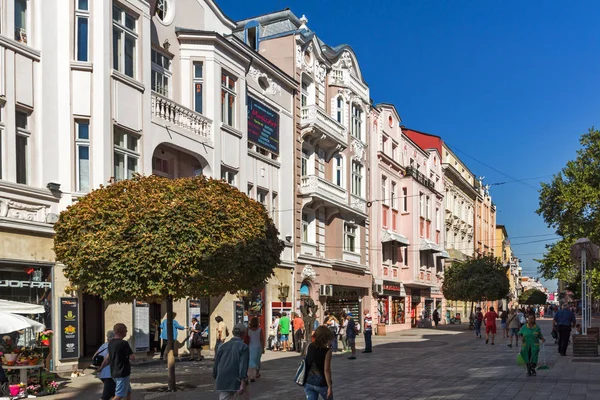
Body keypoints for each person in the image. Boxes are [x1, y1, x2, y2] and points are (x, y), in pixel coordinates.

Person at [99, 323, 135, 400]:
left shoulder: (110, 343)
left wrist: (101, 367)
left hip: (114, 373)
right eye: (126, 330)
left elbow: (107, 358)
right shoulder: (124, 343)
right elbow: (132, 357)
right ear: (122, 331)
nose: (126, 332)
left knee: (128, 391)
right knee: (119, 395)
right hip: (122, 373)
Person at [213, 323, 250, 400]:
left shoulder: (223, 346)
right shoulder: (244, 347)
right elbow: (243, 366)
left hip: (222, 379)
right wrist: (243, 383)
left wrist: (216, 376)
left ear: (233, 333)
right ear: (244, 334)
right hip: (236, 379)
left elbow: (216, 364)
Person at [303, 325, 333, 400]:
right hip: (321, 382)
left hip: (308, 381)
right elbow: (326, 370)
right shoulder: (327, 351)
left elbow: (306, 359)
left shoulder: (309, 346)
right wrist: (329, 386)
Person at [94, 330, 116, 400]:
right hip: (109, 374)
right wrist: (101, 367)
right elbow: (107, 360)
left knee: (114, 394)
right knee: (105, 396)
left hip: (103, 374)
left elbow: (94, 356)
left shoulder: (104, 345)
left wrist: (99, 368)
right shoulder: (113, 346)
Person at [245, 317, 264, 382]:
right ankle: (257, 373)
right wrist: (263, 347)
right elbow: (261, 339)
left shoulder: (248, 329)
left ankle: (250, 375)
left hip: (250, 347)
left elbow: (246, 338)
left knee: (250, 361)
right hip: (258, 347)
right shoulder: (260, 330)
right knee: (257, 360)